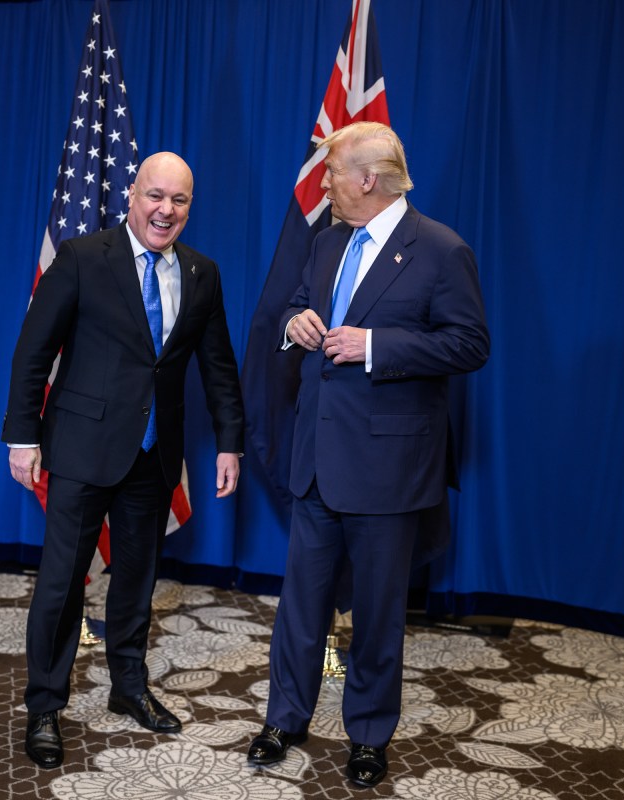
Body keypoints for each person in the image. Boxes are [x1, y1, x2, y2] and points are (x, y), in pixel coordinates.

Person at [245, 122, 489, 788]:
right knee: (301, 602)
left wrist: (377, 347)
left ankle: (369, 733)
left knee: (379, 611)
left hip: (387, 469)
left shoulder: (440, 250)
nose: (323, 184)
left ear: (367, 179)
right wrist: (296, 324)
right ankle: (283, 718)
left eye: (331, 173)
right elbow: (300, 308)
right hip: (316, 458)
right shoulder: (326, 244)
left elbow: (470, 345)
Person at [2, 152, 245, 768]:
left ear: (191, 207)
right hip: (82, 451)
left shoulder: (202, 273)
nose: (166, 210)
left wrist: (230, 441)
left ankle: (128, 688)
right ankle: (45, 706)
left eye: (180, 200)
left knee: (137, 580)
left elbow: (218, 366)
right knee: (62, 585)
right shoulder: (83, 258)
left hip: (154, 455)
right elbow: (34, 353)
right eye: (156, 196)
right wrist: (21, 437)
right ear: (132, 195)